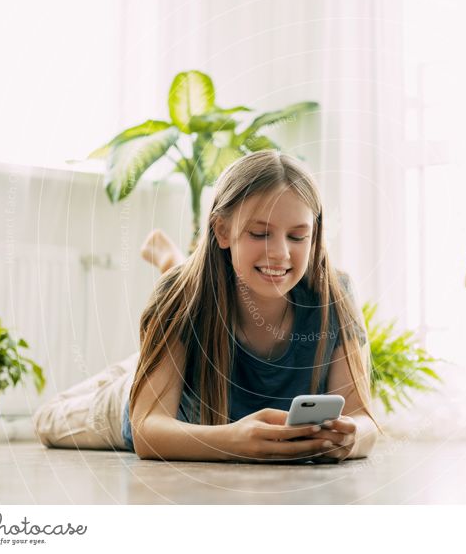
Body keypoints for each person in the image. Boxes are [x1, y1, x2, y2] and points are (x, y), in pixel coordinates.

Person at [32, 150, 381, 463]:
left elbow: (364, 420)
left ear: (315, 235)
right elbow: (147, 429)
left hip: (182, 357)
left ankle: (170, 273)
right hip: (148, 402)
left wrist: (351, 437)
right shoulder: (182, 295)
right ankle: (166, 292)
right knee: (47, 420)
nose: (280, 252)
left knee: (173, 331)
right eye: (260, 234)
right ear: (222, 231)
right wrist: (233, 441)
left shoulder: (333, 291)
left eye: (297, 236)